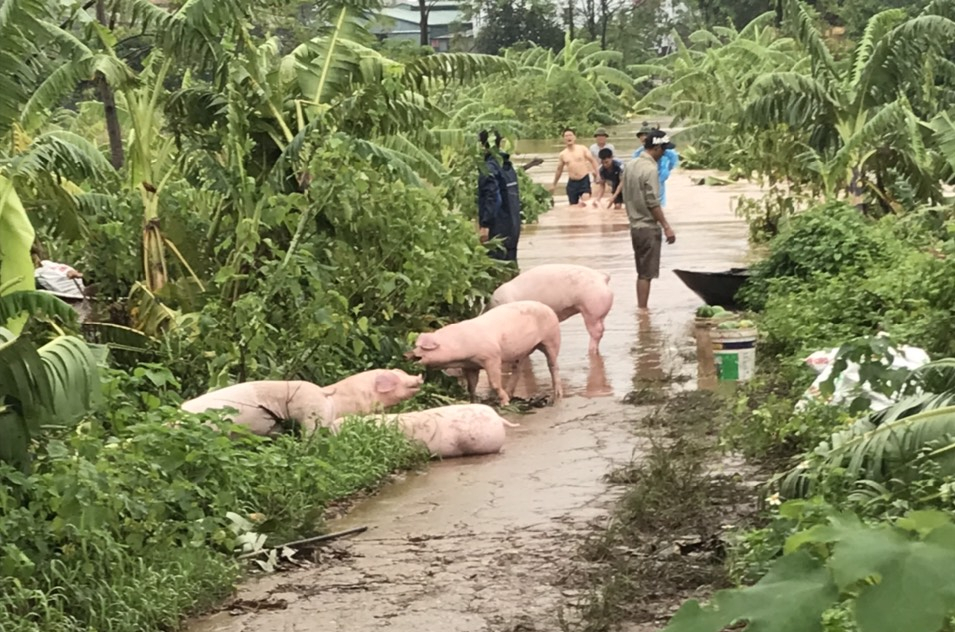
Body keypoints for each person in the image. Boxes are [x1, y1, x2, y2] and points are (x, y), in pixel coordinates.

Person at [622, 129, 677, 310]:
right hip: (647, 226)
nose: (664, 154)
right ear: (657, 148)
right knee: (647, 274)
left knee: (641, 272)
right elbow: (653, 201)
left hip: (634, 226)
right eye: (663, 149)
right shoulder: (650, 169)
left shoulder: (630, 165)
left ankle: (641, 310)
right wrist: (666, 226)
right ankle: (643, 313)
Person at [476, 130, 521, 262]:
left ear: (482, 145)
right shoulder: (507, 165)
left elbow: (493, 197)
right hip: (513, 226)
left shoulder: (489, 168)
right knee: (510, 269)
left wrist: (485, 225)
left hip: (498, 228)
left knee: (496, 269)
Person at [632, 123, 680, 208]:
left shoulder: (666, 153)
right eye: (641, 136)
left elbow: (673, 161)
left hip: (659, 180)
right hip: (645, 182)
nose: (643, 137)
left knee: (658, 203)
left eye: (646, 135)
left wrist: (665, 170)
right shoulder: (637, 153)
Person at [551, 127, 600, 208]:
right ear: (563, 139)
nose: (568, 137)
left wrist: (598, 174)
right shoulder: (563, 154)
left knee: (586, 203)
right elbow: (559, 170)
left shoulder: (582, 149)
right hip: (572, 183)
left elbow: (593, 161)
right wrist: (554, 184)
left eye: (570, 135)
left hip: (584, 180)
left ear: (574, 137)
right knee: (573, 208)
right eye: (566, 136)